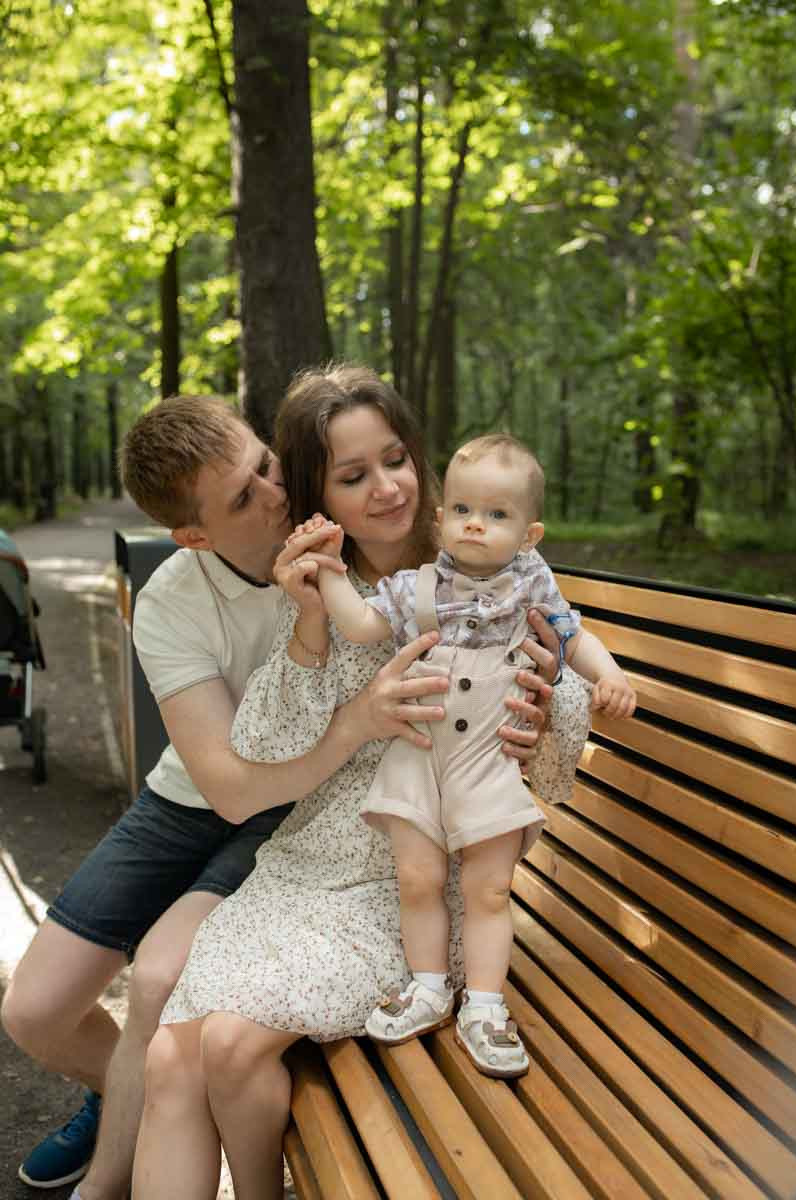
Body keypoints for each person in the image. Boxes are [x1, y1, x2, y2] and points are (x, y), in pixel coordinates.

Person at [131, 364, 592, 1200]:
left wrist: (545, 706)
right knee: (172, 1056)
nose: (387, 489)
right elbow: (264, 751)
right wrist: (310, 623)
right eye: (353, 476)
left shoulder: (484, 577)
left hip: (417, 886)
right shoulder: (324, 592)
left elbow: (556, 768)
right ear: (320, 497)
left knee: (228, 1046)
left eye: (396, 460)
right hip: (306, 873)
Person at [1, 394, 466, 1199]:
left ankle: (102, 1182)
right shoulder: (175, 598)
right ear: (194, 534)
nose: (276, 495)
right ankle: (120, 1090)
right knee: (32, 1012)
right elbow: (225, 783)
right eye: (243, 497)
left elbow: (422, 533)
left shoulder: (342, 533)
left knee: (156, 983)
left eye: (267, 466)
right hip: (195, 800)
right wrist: (350, 727)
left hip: (300, 815)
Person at [309, 431, 635, 1077]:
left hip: (487, 760)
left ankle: (484, 1006)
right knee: (419, 879)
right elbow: (359, 624)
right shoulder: (415, 588)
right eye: (462, 511)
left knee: (489, 889)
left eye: (496, 515)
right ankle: (428, 987)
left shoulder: (533, 589)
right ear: (441, 517)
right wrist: (325, 570)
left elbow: (574, 635)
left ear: (530, 533)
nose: (476, 526)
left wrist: (610, 675)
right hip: (417, 755)